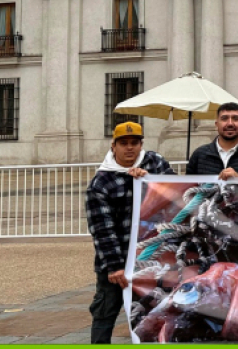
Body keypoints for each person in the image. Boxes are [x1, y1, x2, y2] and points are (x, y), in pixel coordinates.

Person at [86, 121, 175, 344]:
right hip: (119, 261)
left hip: (154, 257)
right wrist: (114, 265)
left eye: (134, 143)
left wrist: (151, 181)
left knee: (157, 313)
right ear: (113, 146)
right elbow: (102, 228)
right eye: (123, 143)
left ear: (141, 144)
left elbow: (175, 193)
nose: (129, 148)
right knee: (105, 313)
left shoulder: (155, 162)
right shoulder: (101, 183)